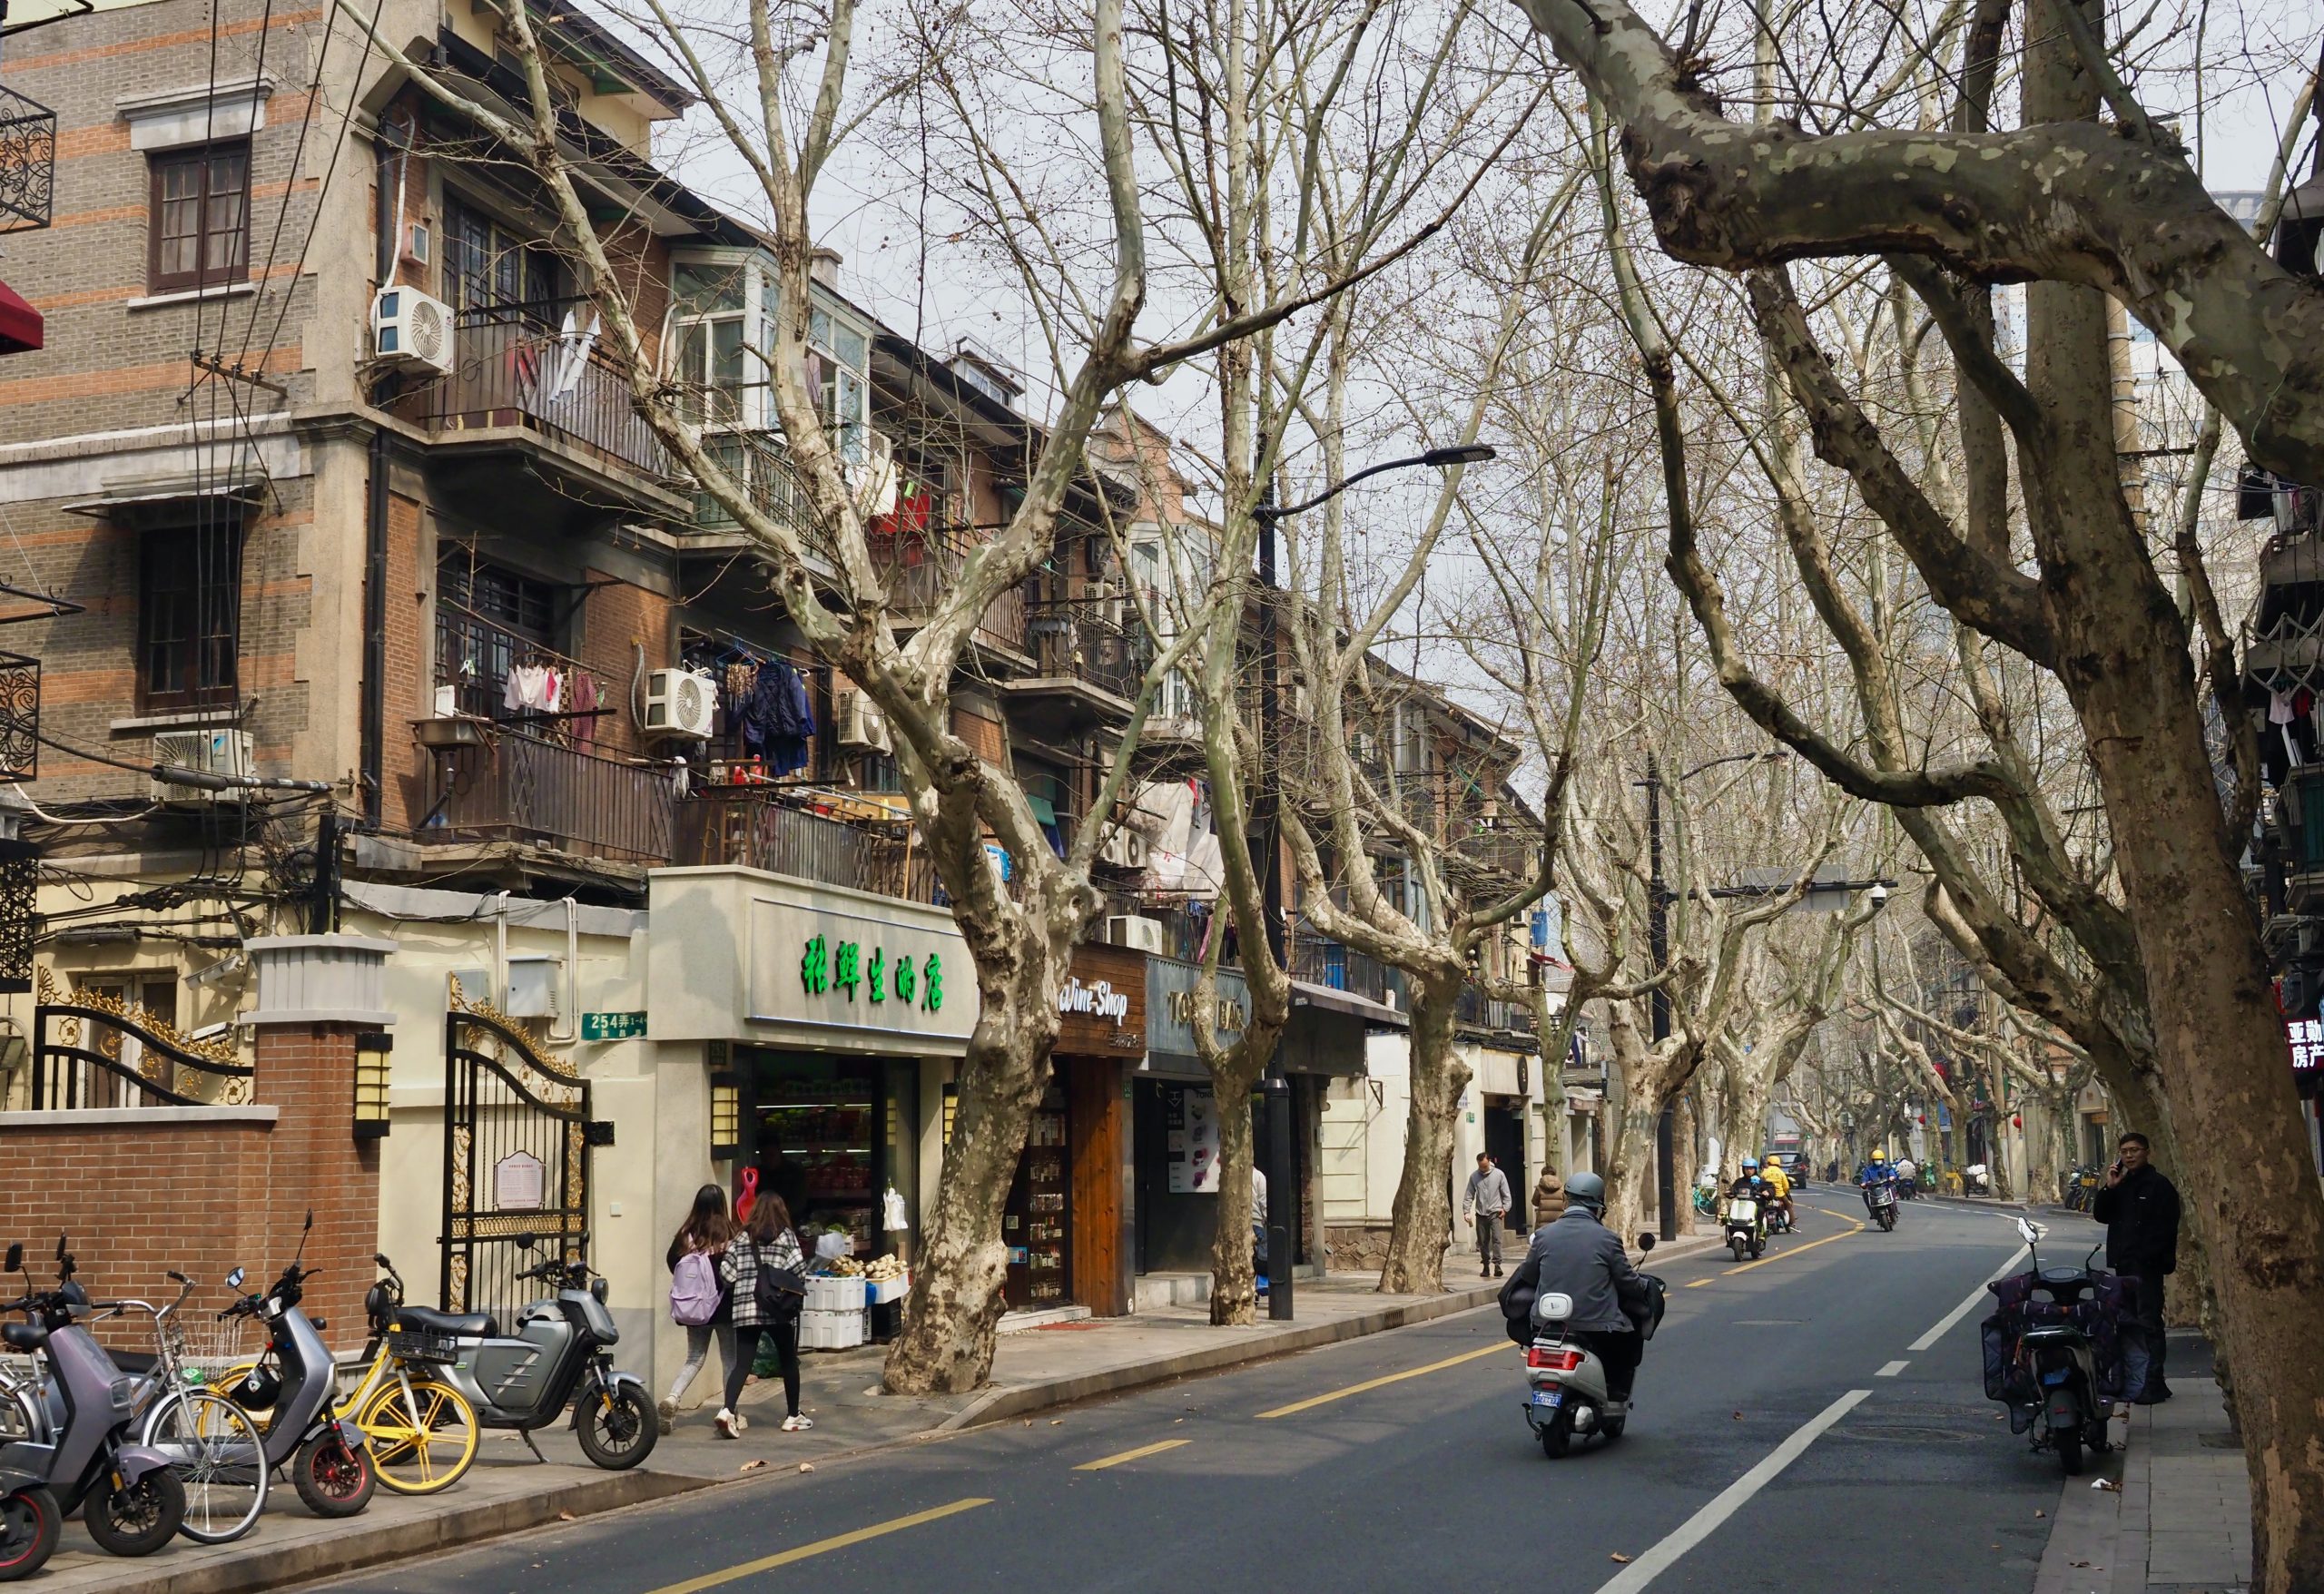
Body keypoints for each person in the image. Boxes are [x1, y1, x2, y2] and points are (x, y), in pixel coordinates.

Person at [1499, 1172, 1650, 1402]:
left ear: (1566, 1201)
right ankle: (1615, 1393)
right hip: (1596, 1326)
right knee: (1628, 1339)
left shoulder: (1543, 1235)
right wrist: (1644, 1287)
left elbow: (1529, 1275)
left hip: (1545, 1325)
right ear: (1599, 1206)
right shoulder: (1607, 1239)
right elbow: (1626, 1281)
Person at [2091, 1131, 2181, 1403]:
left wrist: (2149, 1257)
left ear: (2147, 1152)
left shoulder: (2159, 1186)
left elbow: (2167, 1228)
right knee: (2127, 1324)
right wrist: (2109, 1187)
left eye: (2135, 1150)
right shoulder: (2122, 1184)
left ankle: (2153, 1382)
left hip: (2147, 1268)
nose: (2129, 1156)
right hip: (2123, 1266)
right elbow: (2101, 1215)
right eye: (2125, 1151)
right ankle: (2134, 1379)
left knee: (2148, 1323)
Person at [719, 1192, 810, 1437]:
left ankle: (727, 1411)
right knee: (789, 1361)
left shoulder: (741, 1237)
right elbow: (799, 1270)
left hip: (745, 1308)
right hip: (776, 1308)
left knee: (742, 1365)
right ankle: (793, 1416)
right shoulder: (787, 1236)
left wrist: (745, 1282)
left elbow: (726, 1274)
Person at [659, 1184, 736, 1435]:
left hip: (693, 1309)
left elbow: (673, 1263)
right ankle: (729, 1411)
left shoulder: (686, 1235)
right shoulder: (728, 1233)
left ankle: (673, 1397)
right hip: (723, 1308)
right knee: (729, 1360)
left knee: (694, 1358)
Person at [1463, 1153, 1513, 1277]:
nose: (1483, 1169)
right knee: (1482, 1241)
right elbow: (1469, 1195)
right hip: (1480, 1213)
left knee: (1497, 1239)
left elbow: (1506, 1194)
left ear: (1489, 1162)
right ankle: (1486, 1265)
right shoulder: (1474, 1177)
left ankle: (1497, 1265)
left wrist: (1505, 1208)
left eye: (1485, 1166)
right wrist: (1466, 1211)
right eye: (1481, 1166)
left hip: (1495, 1212)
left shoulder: (1499, 1174)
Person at [1758, 1155, 1794, 1228]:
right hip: (1779, 1194)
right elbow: (1786, 1185)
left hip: (1768, 1194)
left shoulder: (1765, 1171)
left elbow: (1760, 1181)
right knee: (1788, 1205)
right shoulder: (1781, 1172)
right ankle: (1791, 1223)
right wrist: (1784, 1191)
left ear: (1769, 1162)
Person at [1857, 1151, 1896, 1215]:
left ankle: (1894, 1209)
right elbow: (1864, 1179)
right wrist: (1863, 1183)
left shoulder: (1886, 1167)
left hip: (1886, 1187)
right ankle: (1873, 1212)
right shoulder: (1868, 1170)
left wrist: (1891, 1177)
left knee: (1892, 1189)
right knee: (1865, 1194)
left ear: (1882, 1160)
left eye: (1879, 1160)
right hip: (1874, 1190)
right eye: (1876, 1160)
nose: (1878, 1161)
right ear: (1873, 1160)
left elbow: (1891, 1173)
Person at [1531, 1166, 1568, 1232]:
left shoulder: (1539, 1187)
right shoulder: (1561, 1187)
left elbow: (1534, 1202)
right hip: (1558, 1221)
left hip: (1543, 1222)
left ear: (1542, 1174)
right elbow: (1566, 1203)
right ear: (1555, 1174)